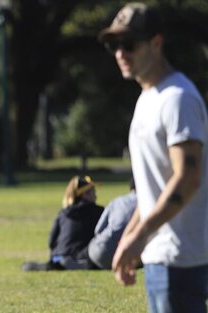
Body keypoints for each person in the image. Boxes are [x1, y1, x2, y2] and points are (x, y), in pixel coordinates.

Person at [99, 3, 208, 312]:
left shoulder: (177, 99)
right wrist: (130, 237)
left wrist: (140, 236)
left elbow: (187, 177)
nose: (120, 53)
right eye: (114, 45)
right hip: (159, 254)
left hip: (180, 256)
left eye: (129, 44)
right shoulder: (148, 98)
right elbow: (153, 187)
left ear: (156, 43)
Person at [22, 176, 104, 271]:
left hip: (58, 253)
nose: (96, 195)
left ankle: (55, 262)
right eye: (93, 192)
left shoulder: (63, 212)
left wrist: (56, 251)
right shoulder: (97, 211)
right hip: (78, 255)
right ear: (84, 194)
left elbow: (52, 239)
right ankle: (78, 264)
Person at [87, 178, 137, 270]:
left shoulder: (116, 201)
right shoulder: (146, 202)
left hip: (97, 252)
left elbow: (98, 230)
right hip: (125, 253)